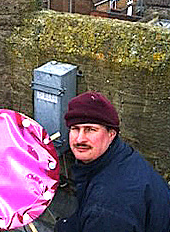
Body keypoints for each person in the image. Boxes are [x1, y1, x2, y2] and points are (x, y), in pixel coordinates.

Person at [55, 91, 170, 232]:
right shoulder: (121, 155)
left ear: (111, 134)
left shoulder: (107, 208)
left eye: (90, 130)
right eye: (75, 129)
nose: (80, 139)